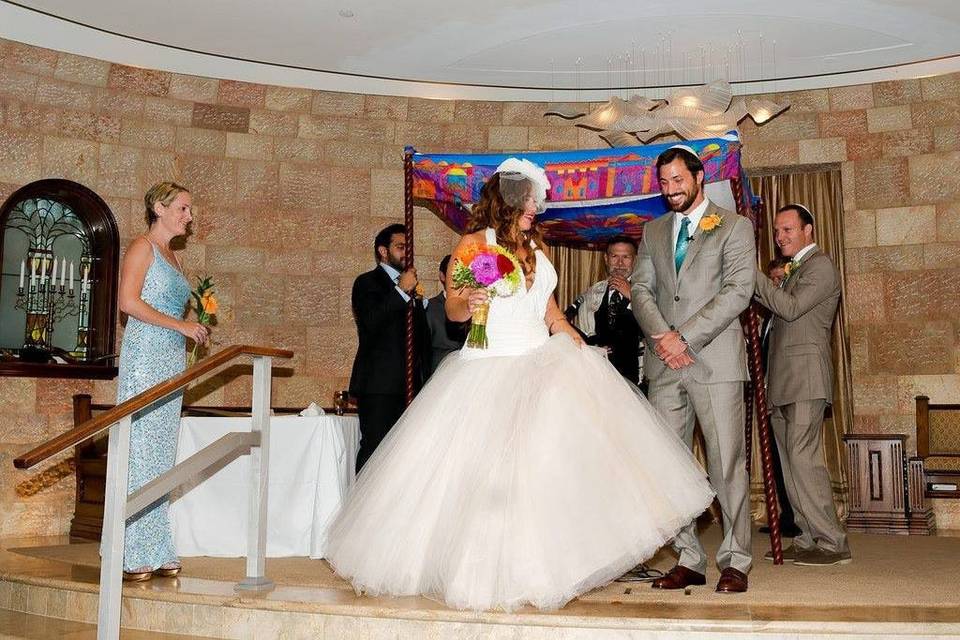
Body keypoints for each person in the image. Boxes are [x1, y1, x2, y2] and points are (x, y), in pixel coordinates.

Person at [325, 158, 714, 612]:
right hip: (489, 367)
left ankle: (543, 568)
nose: (537, 208)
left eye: (537, 201)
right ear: (509, 200)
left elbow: (551, 316)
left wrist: (582, 348)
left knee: (546, 471)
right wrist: (468, 300)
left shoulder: (535, 248)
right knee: (487, 480)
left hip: (540, 362)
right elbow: (453, 311)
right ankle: (480, 572)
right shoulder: (475, 244)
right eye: (531, 201)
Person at [631, 145, 756, 593]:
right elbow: (641, 289)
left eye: (678, 181)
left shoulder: (735, 227)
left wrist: (685, 337)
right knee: (671, 466)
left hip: (715, 362)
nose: (670, 191)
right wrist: (666, 338)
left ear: (699, 177)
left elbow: (739, 291)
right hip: (666, 366)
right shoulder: (653, 231)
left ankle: (736, 559)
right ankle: (689, 557)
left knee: (726, 464)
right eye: (663, 183)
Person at [116, 181, 209, 581]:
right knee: (140, 451)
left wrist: (190, 330)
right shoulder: (142, 247)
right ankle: (133, 548)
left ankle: (156, 544)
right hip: (145, 357)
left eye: (190, 210)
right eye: (184, 209)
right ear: (159, 207)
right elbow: (128, 302)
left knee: (159, 455)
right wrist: (181, 325)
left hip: (170, 359)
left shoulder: (173, 257)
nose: (190, 217)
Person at [754, 204, 851, 566]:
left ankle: (832, 541)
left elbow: (791, 309)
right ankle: (808, 536)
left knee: (803, 459)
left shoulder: (820, 266)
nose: (780, 238)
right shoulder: (795, 269)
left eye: (788, 230)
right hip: (781, 382)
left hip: (807, 379)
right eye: (777, 232)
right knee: (789, 463)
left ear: (809, 230)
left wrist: (751, 275)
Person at [349, 223, 430, 472]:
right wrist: (401, 291)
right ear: (383, 251)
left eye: (409, 247)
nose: (406, 252)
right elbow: (372, 321)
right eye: (400, 246)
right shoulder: (366, 283)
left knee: (405, 454)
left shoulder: (412, 289)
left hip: (409, 386)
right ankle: (363, 509)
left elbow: (422, 340)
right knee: (375, 450)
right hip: (379, 385)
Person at [757, 256, 803, 539]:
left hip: (792, 392)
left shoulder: (791, 315)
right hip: (771, 396)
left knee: (796, 458)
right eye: (772, 280)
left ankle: (800, 517)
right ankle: (787, 515)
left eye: (780, 279)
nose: (776, 285)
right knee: (776, 459)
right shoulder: (769, 319)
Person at [568, 235, 644, 384]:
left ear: (635, 259)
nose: (620, 263)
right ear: (606, 259)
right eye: (614, 256)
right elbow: (584, 330)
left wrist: (632, 296)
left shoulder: (646, 290)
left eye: (626, 257)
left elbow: (656, 327)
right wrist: (593, 349)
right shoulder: (593, 292)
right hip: (599, 374)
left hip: (637, 376)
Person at [424, 254, 467, 377]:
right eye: (454, 272)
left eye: (463, 272)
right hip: (439, 376)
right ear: (442, 276)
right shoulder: (430, 308)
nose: (459, 277)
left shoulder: (478, 305)